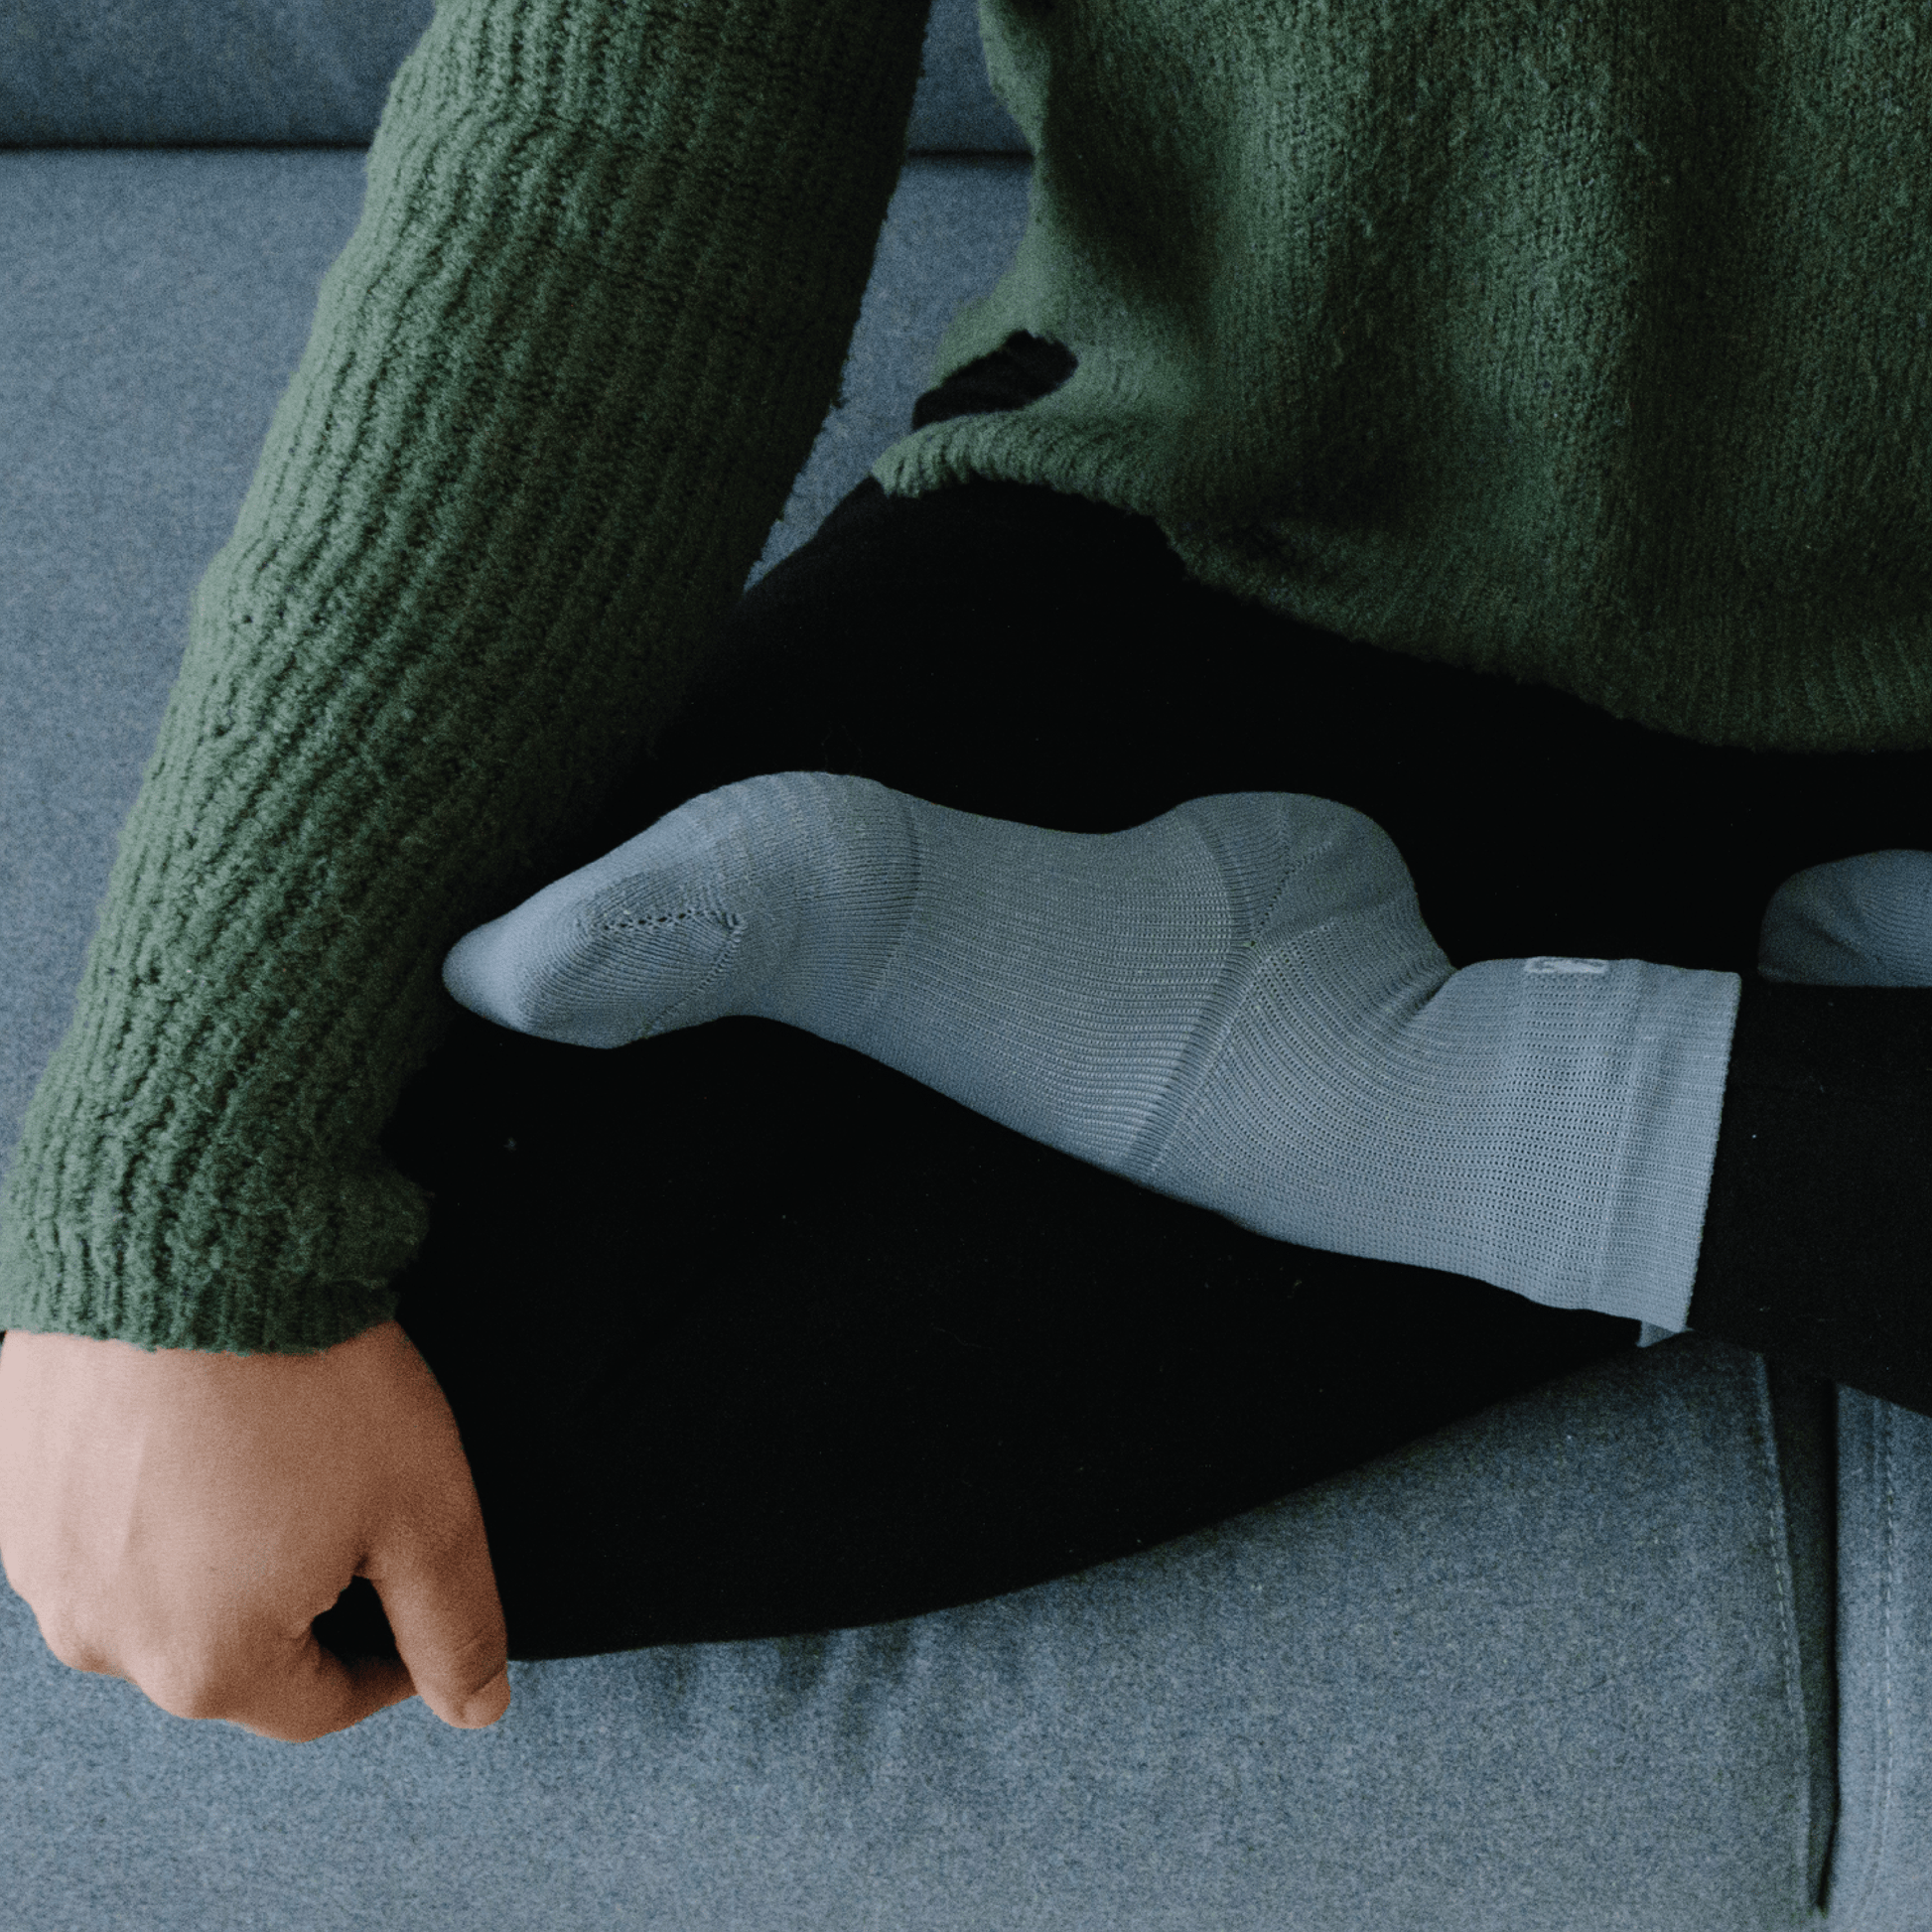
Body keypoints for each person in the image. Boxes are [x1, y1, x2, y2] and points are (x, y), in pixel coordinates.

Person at [1, 0, 1927, 1747]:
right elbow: (621, 114)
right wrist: (182, 1188)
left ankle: (1432, 1097)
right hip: (1238, 508)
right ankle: (1821, 1089)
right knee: (373, 1447)